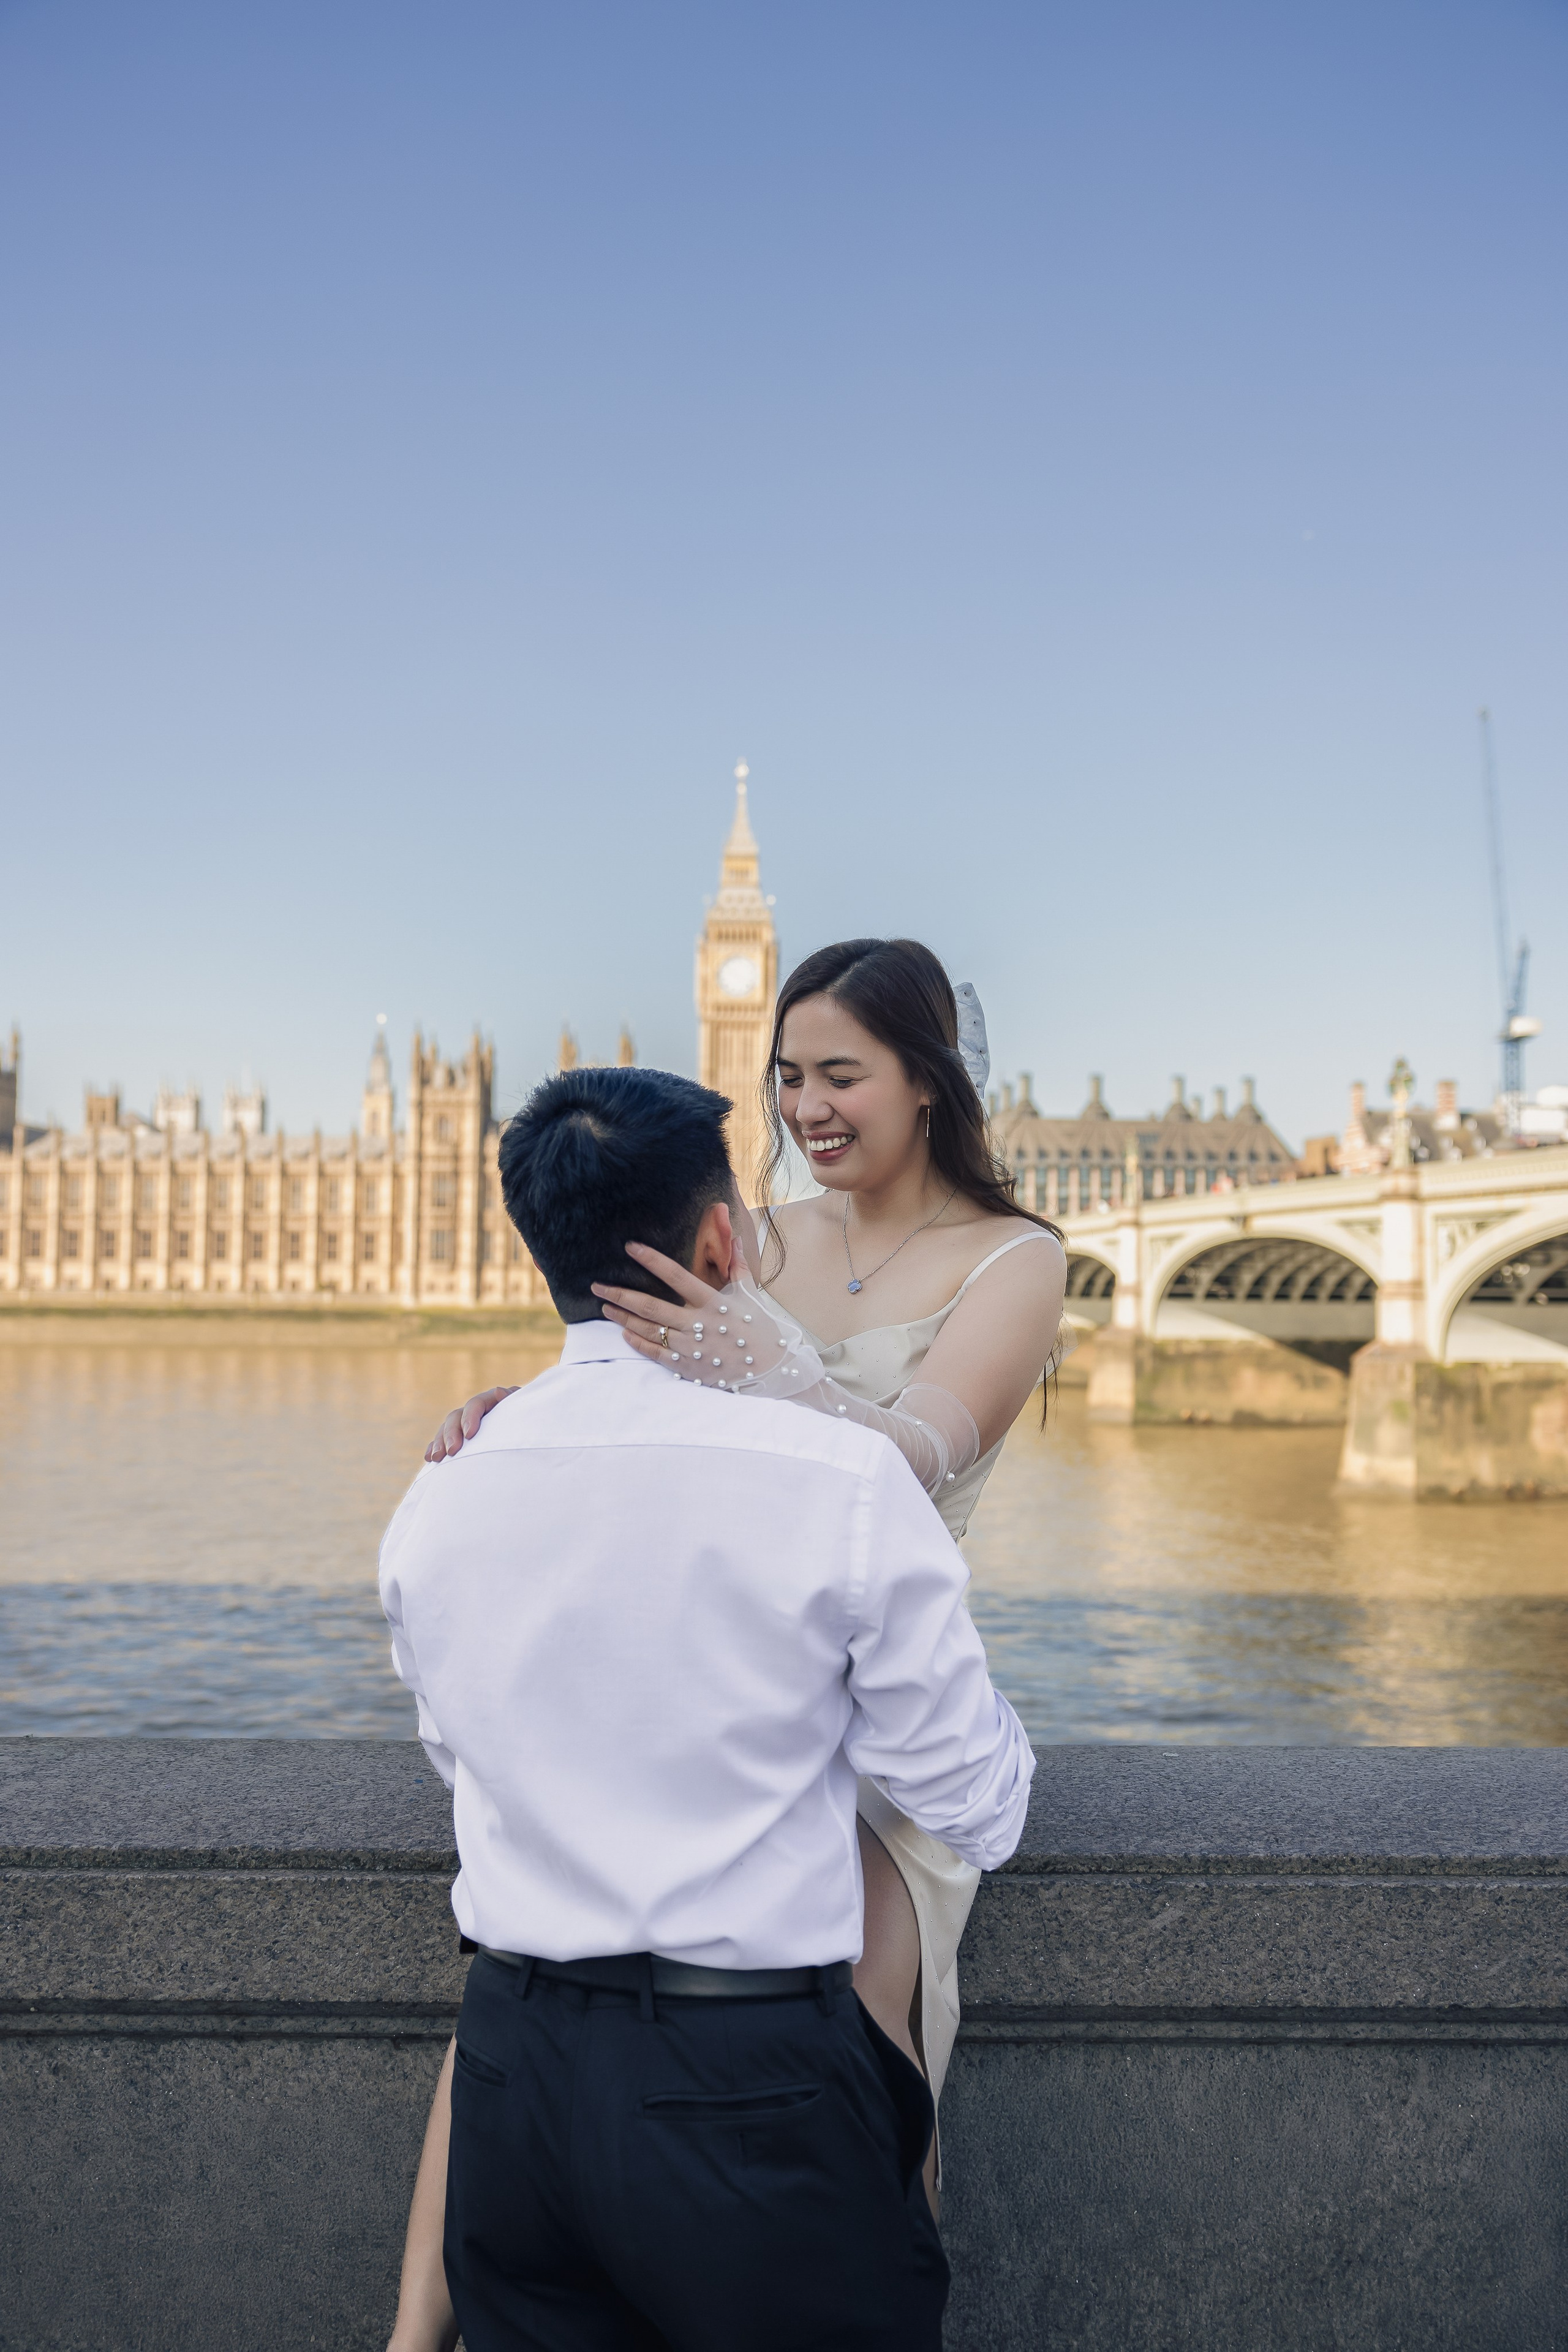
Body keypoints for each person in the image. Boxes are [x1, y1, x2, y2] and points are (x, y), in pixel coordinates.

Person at [380, 1061, 1035, 2352]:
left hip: (516, 2081)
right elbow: (975, 1805)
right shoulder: (840, 1481)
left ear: (539, 1248)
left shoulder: (438, 1494)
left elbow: (465, 1764)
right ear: (721, 1239)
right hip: (748, 2090)